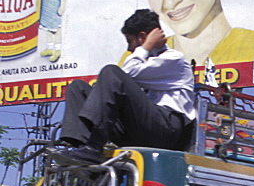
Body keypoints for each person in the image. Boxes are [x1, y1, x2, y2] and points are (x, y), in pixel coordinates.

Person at [51, 9, 196, 165]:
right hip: (139, 129)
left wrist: (145, 47)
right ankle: (77, 146)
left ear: (142, 37)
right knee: (78, 87)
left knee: (111, 72)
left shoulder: (173, 59)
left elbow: (125, 73)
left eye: (130, 41)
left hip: (165, 130)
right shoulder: (143, 60)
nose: (129, 49)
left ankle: (93, 149)